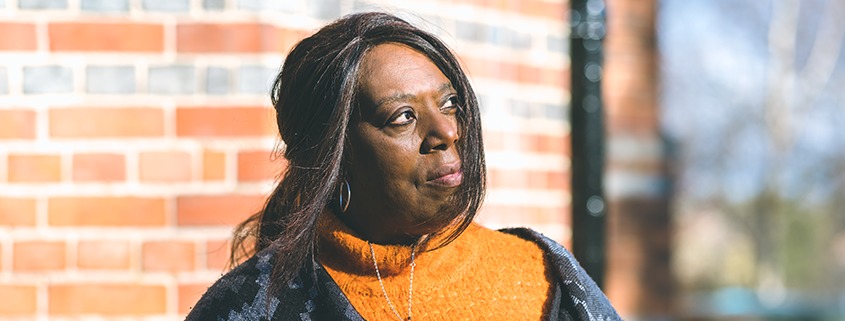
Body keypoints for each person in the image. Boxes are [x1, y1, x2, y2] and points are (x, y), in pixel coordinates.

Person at [186, 12, 621, 321]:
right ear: (332, 154)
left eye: (449, 104)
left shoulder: (544, 278)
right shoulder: (254, 305)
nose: (445, 133)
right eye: (402, 117)